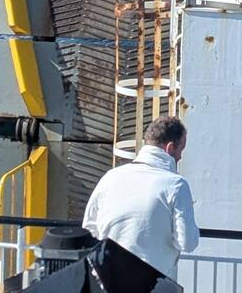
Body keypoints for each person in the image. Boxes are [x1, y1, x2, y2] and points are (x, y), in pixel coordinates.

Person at [83, 116, 199, 281]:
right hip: (150, 280)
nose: (180, 157)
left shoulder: (111, 177)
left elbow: (89, 228)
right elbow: (186, 242)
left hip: (106, 277)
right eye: (181, 150)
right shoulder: (176, 185)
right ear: (170, 148)